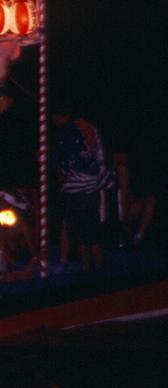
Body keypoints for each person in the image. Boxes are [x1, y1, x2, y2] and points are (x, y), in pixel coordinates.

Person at [51, 112, 112, 270]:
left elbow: (61, 163)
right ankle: (99, 270)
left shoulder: (64, 131)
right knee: (94, 231)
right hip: (96, 186)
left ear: (59, 115)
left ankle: (87, 269)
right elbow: (102, 155)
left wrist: (61, 176)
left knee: (80, 234)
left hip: (76, 187)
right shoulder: (90, 126)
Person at [114, 152, 155, 248]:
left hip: (120, 202)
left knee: (150, 200)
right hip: (114, 206)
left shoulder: (124, 168)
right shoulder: (119, 168)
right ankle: (125, 234)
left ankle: (138, 235)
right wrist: (125, 219)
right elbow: (123, 195)